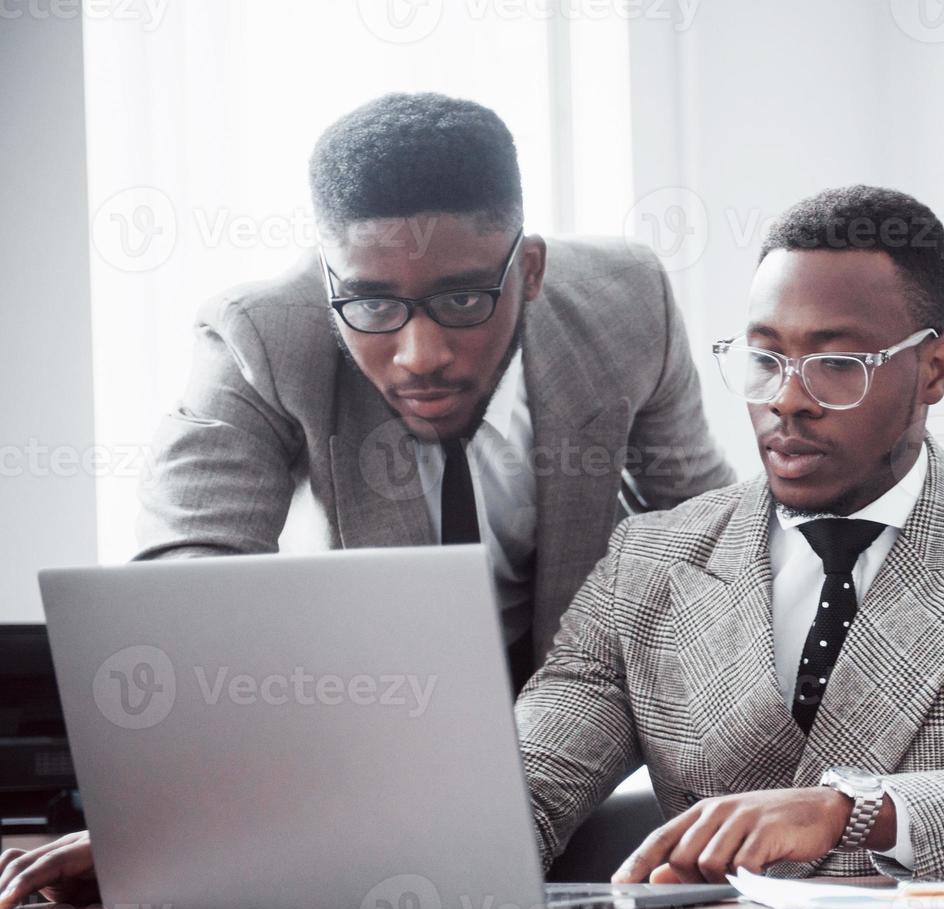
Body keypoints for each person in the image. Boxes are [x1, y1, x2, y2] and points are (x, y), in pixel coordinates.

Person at [0, 186, 944, 907]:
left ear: (930, 367)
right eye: (760, 354)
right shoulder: (650, 563)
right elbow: (499, 794)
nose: (782, 397)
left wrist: (859, 813)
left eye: (833, 360)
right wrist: (207, 852)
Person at [136, 91, 732, 689]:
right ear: (328, 281)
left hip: (573, 697)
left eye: (464, 299)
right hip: (362, 704)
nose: (421, 357)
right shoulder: (259, 336)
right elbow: (185, 587)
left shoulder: (627, 302)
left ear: (529, 271)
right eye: (372, 303)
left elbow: (716, 543)